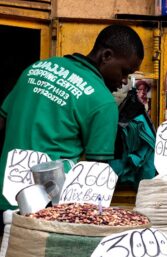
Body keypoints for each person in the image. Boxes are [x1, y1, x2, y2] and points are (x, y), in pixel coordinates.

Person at [0, 24, 144, 212]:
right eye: (124, 72)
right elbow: (94, 176)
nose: (125, 81)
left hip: (4, 195)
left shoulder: (36, 69)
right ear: (106, 56)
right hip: (44, 209)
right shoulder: (103, 101)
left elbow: (2, 122)